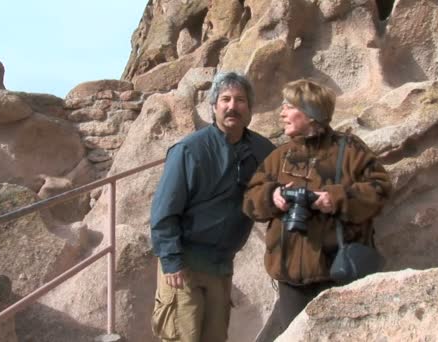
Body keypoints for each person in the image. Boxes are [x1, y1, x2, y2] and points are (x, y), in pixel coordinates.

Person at [242, 79, 391, 330]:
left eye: (289, 106)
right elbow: (249, 200)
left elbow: (381, 189)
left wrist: (336, 198)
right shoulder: (280, 155)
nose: (282, 112)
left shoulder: (350, 149)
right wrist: (273, 196)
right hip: (290, 281)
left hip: (337, 276)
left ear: (311, 114)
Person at [150, 71, 275, 342]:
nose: (232, 106)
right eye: (225, 99)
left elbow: (282, 185)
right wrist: (171, 261)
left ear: (250, 108)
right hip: (184, 265)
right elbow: (163, 211)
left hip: (221, 267)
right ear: (214, 106)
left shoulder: (262, 150)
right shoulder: (190, 150)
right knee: (184, 337)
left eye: (240, 100)